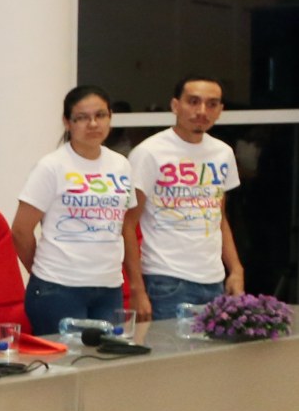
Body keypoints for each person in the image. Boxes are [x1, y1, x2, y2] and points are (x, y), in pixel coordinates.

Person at [14, 86, 136, 333]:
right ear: (67, 122)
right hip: (58, 288)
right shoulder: (51, 166)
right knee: (67, 357)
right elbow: (20, 230)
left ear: (110, 117)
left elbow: (125, 225)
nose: (93, 124)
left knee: (107, 355)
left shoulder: (121, 164)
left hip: (109, 286)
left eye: (100, 115)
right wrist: (42, 272)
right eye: (82, 117)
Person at [125, 75, 243, 320]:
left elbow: (219, 217)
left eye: (212, 104)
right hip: (165, 279)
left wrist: (235, 269)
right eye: (193, 102)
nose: (202, 111)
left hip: (214, 279)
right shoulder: (149, 152)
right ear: (175, 105)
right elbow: (127, 224)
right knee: (169, 346)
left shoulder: (223, 153)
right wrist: (136, 289)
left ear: (220, 110)